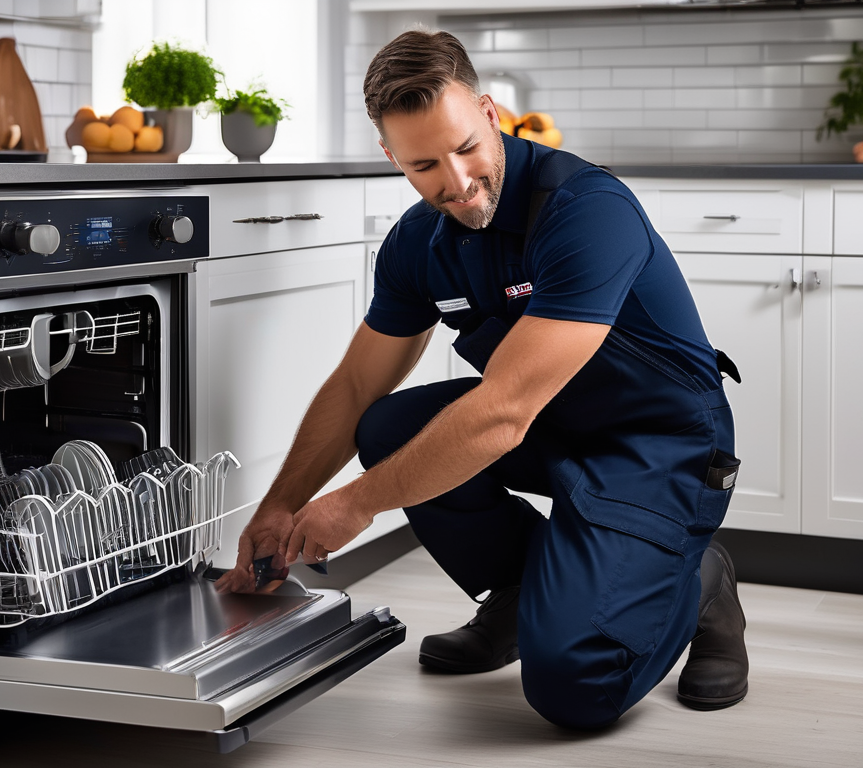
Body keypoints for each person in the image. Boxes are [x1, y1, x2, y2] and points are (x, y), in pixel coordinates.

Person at [216, 28, 748, 729]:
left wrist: (355, 504)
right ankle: (525, 592)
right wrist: (278, 507)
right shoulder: (418, 245)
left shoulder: (586, 211)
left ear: (492, 114)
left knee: (574, 690)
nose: (458, 182)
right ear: (391, 158)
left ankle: (701, 581)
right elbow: (354, 387)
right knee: (387, 425)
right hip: (553, 423)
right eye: (424, 165)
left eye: (467, 147)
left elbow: (502, 415)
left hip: (658, 445)